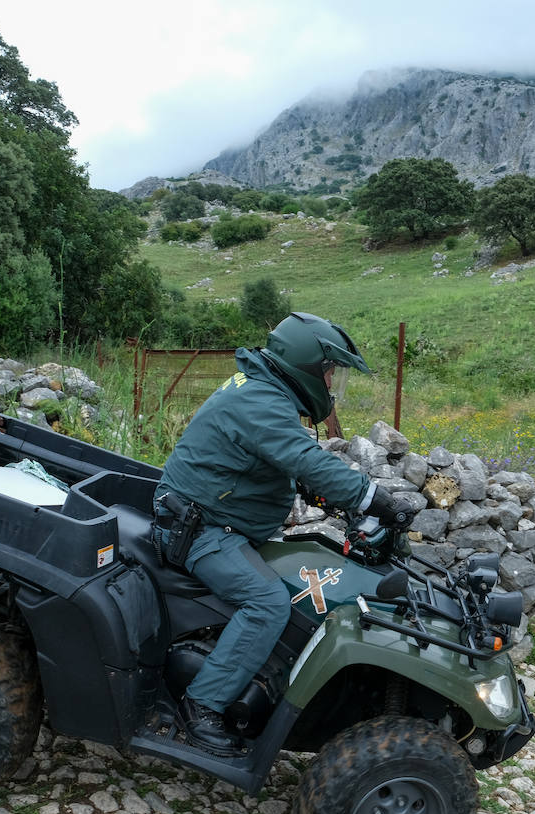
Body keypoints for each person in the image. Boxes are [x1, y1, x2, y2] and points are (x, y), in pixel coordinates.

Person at [154, 312, 409, 756]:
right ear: (306, 367)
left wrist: (316, 492)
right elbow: (303, 457)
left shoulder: (261, 389)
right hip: (201, 528)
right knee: (268, 601)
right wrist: (372, 498)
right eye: (329, 373)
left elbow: (267, 457)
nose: (331, 385)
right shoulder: (261, 401)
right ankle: (202, 705)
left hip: (215, 514)